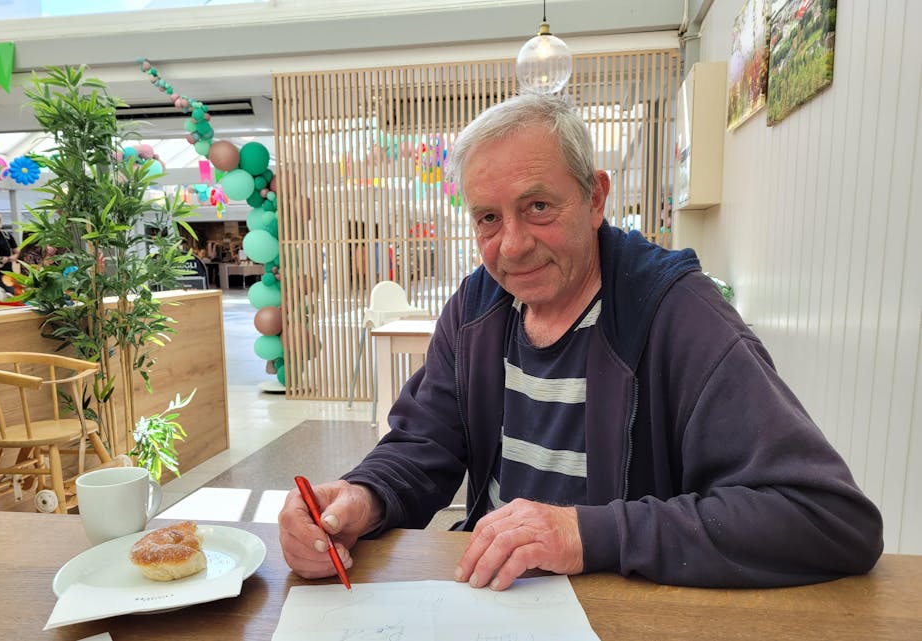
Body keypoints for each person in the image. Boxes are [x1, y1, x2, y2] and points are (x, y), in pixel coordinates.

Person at [278, 93, 883, 590]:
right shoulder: (475, 308)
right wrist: (362, 496)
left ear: (595, 198)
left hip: (619, 605)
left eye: (538, 206)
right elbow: (424, 443)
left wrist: (585, 534)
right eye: (488, 218)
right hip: (488, 593)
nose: (512, 245)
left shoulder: (680, 315)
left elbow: (827, 518)